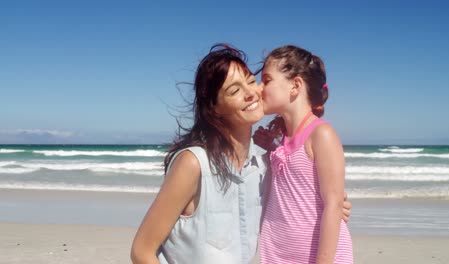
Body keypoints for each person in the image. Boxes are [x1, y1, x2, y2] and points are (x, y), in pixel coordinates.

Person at [130, 44, 351, 264]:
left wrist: (333, 204)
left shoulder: (263, 164)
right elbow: (142, 251)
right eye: (235, 90)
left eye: (251, 81)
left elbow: (303, 194)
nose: (254, 92)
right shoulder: (194, 163)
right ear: (214, 108)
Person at [258, 45, 353, 263]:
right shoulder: (283, 139)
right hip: (280, 255)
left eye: (267, 80)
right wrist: (269, 147)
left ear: (295, 85)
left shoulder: (322, 134)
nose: (258, 88)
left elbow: (333, 205)